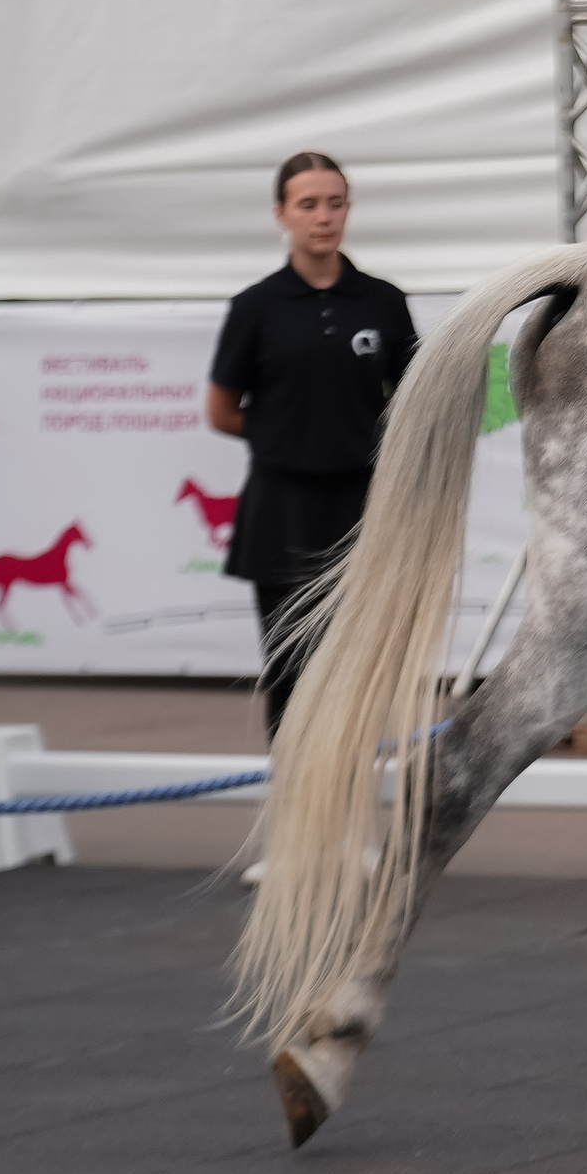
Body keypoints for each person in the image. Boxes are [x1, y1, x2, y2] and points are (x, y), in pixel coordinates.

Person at [207, 153, 416, 741]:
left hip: (362, 514)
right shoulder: (255, 307)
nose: (323, 217)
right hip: (279, 516)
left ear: (348, 209)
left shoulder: (383, 302)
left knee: (356, 672)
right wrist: (287, 435)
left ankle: (351, 814)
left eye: (334, 203)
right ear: (281, 214)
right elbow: (222, 411)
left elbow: (415, 406)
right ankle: (296, 817)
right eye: (308, 205)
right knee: (292, 675)